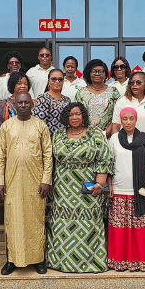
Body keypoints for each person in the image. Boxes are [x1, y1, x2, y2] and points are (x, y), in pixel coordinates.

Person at [47, 102, 112, 273]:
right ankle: (61, 262)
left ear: (83, 115)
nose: (74, 118)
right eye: (70, 115)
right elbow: (50, 160)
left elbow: (104, 159)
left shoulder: (95, 134)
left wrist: (100, 183)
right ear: (65, 118)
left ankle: (91, 262)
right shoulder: (58, 135)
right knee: (62, 224)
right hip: (63, 188)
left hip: (87, 187)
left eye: (77, 114)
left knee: (88, 223)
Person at [0, 92, 54, 275]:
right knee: (12, 220)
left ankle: (38, 259)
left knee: (35, 219)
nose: (22, 105)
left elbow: (47, 154)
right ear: (13, 104)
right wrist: (0, 181)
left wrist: (46, 180)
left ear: (32, 104)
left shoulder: (40, 125)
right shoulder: (6, 126)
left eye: (26, 102)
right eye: (19, 102)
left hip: (36, 182)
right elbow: (1, 156)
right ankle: (12, 260)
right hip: (12, 181)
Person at [106, 107, 145, 272]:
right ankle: (119, 262)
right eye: (125, 119)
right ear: (120, 121)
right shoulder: (114, 139)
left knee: (138, 230)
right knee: (119, 230)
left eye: (131, 118)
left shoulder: (144, 140)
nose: (128, 122)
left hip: (140, 193)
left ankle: (138, 262)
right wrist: (109, 185)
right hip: (119, 191)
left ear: (136, 120)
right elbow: (108, 164)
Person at [75, 59, 122, 137]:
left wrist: (108, 131)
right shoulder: (81, 92)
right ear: (88, 73)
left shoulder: (113, 91)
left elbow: (119, 113)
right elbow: (76, 113)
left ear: (105, 73)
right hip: (86, 136)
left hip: (109, 135)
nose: (97, 74)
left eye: (100, 71)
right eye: (94, 71)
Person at [110, 71, 145, 135]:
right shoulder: (122, 102)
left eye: (138, 82)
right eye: (132, 82)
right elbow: (115, 128)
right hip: (125, 144)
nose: (134, 85)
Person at [32, 68, 71, 135]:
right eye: (54, 79)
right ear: (48, 81)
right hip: (48, 141)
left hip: (65, 141)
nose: (57, 81)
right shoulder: (43, 99)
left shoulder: (67, 100)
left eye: (60, 79)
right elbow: (39, 125)